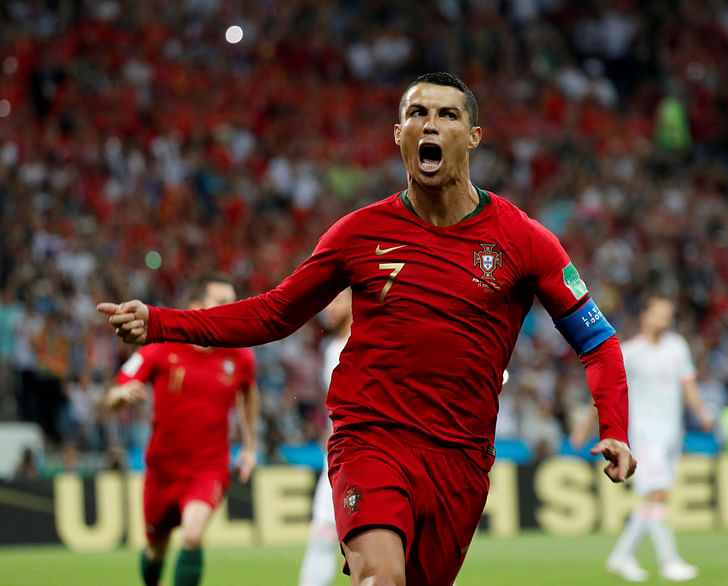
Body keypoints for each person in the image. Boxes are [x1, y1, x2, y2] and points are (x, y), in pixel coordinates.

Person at [98, 72, 635, 586]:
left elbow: (597, 340)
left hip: (462, 457)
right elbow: (272, 313)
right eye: (416, 113)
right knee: (380, 577)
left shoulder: (524, 239)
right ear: (398, 134)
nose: (430, 124)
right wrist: (162, 322)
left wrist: (613, 425)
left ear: (472, 137)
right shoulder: (359, 233)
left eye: (447, 115)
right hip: (369, 437)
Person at [105, 274, 259, 586]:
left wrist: (250, 445)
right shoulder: (160, 346)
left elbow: (249, 393)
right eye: (221, 303)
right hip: (162, 469)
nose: (230, 309)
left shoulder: (241, 355)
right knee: (155, 549)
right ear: (196, 307)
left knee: (192, 535)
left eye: (234, 303)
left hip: (209, 467)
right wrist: (121, 396)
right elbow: (112, 396)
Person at [603, 296, 715, 582]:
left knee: (654, 498)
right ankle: (669, 562)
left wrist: (702, 412)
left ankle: (621, 556)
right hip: (645, 433)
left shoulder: (677, 346)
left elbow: (688, 384)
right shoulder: (630, 353)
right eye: (659, 314)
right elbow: (611, 392)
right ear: (645, 316)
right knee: (659, 493)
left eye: (668, 315)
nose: (665, 320)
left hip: (673, 433)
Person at [299, 288, 352, 586]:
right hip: (337, 455)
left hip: (370, 454)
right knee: (321, 534)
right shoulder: (332, 346)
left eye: (336, 299)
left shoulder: (367, 341)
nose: (327, 308)